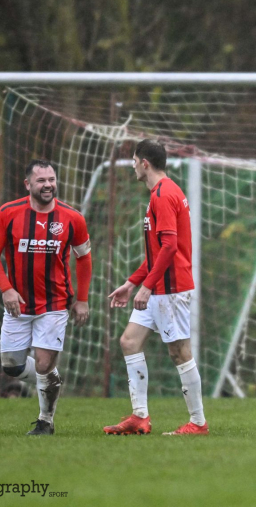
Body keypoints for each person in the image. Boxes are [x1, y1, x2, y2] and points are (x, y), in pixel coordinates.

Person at [103, 140, 208, 436]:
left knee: (179, 351)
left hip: (170, 288)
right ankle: (140, 417)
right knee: (130, 341)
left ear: (144, 163)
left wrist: (146, 287)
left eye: (135, 161)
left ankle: (198, 423)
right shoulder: (163, 191)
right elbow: (156, 252)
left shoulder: (163, 195)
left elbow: (170, 247)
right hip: (158, 286)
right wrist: (131, 283)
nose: (133, 166)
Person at [0, 159, 92, 435]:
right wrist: (6, 288)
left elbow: (84, 257)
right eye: (42, 180)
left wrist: (82, 299)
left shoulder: (72, 218)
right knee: (11, 366)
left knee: (44, 363)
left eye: (52, 179)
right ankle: (51, 379)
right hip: (18, 305)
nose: (48, 185)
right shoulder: (8, 213)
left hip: (55, 304)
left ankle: (46, 421)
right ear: (28, 184)